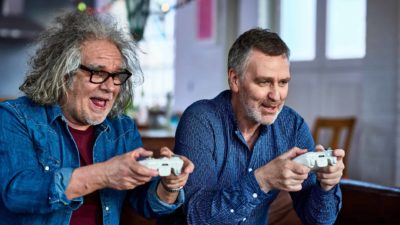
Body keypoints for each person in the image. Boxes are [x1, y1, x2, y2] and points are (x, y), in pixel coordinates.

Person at [0, 11, 194, 225]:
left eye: (117, 76)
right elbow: (16, 192)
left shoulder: (123, 128)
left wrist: (169, 185)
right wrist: (103, 174)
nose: (110, 86)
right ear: (64, 74)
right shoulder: (15, 117)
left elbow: (144, 203)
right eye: (98, 73)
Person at [166, 28, 344, 224]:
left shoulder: (292, 126)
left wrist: (327, 185)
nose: (276, 96)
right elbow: (197, 217)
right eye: (264, 82)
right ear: (235, 80)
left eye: (283, 82)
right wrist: (262, 180)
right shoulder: (200, 120)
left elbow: (319, 220)